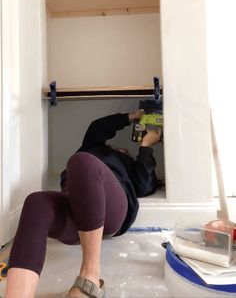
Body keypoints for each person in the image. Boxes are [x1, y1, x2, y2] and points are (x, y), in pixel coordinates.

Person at [5, 111, 162, 298]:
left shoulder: (125, 165)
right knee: (36, 201)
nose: (121, 149)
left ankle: (90, 276)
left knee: (82, 161)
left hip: (110, 209)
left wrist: (145, 146)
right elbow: (97, 127)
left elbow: (144, 185)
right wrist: (129, 117)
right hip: (75, 207)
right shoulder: (93, 147)